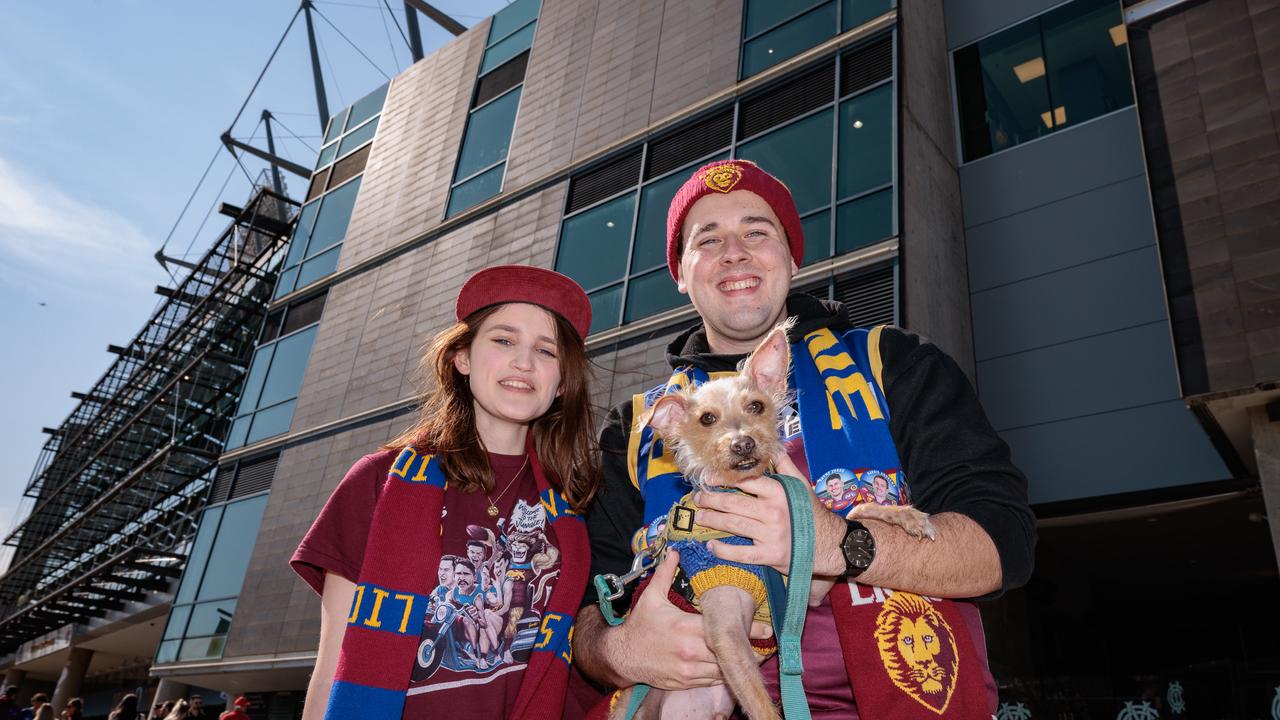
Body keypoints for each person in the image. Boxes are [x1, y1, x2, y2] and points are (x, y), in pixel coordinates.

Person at [573, 159, 1036, 717]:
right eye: (708, 238)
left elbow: (1002, 546)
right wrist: (617, 648)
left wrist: (842, 543)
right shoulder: (637, 425)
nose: (734, 251)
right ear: (680, 271)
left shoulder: (893, 361)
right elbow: (586, 607)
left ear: (793, 256)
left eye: (756, 232)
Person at [292, 265, 600, 720]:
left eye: (546, 350)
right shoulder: (378, 480)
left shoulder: (576, 508)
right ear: (462, 357)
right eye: (503, 340)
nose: (524, 362)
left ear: (562, 382)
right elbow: (335, 660)